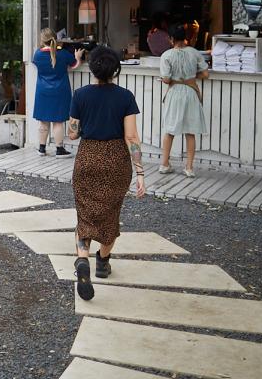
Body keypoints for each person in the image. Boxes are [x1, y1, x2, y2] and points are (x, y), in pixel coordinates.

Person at [67, 46, 146, 300]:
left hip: (87, 159)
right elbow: (131, 137)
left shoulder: (80, 95)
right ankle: (103, 261)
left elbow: (72, 133)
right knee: (110, 214)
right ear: (116, 70)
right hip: (115, 161)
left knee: (86, 215)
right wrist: (141, 173)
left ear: (92, 68)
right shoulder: (125, 97)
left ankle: (83, 260)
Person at [158, 24, 209, 178]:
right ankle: (189, 168)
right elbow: (205, 74)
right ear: (185, 38)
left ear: (171, 39)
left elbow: (166, 80)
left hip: (175, 93)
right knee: (190, 130)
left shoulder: (166, 55)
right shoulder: (195, 53)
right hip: (191, 92)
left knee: (170, 129)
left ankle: (164, 164)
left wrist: (164, 79)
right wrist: (192, 78)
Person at [32, 28, 83, 157]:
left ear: (42, 40)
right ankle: (59, 149)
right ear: (55, 38)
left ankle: (42, 148)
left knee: (43, 121)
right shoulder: (63, 54)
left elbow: (37, 65)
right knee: (58, 121)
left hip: (42, 91)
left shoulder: (37, 54)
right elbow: (74, 65)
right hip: (60, 90)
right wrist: (78, 57)